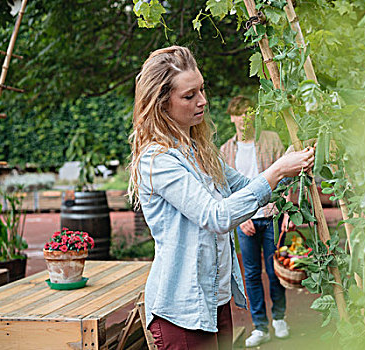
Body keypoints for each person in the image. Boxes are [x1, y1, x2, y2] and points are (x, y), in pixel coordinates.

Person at [128, 46, 314, 350]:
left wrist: (292, 164)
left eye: (201, 89)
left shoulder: (200, 150)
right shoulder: (158, 160)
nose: (203, 100)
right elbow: (215, 216)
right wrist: (278, 170)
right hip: (181, 309)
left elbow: (247, 187)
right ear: (161, 104)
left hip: (214, 298)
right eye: (189, 96)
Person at [220, 96, 291, 347]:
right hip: (246, 222)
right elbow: (225, 190)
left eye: (248, 113)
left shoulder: (271, 139)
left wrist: (288, 213)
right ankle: (260, 326)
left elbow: (286, 178)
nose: (243, 119)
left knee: (274, 271)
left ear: (254, 115)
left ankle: (279, 318)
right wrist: (240, 220)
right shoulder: (226, 150)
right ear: (232, 117)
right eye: (238, 114)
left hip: (272, 215)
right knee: (250, 274)